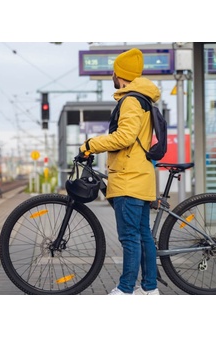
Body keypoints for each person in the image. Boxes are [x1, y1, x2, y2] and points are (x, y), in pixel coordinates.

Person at [77, 48, 161, 295]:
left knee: (130, 238)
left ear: (119, 74)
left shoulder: (131, 100)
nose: (112, 75)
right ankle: (149, 289)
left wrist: (90, 144)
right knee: (143, 235)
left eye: (114, 71)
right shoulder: (142, 98)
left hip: (128, 178)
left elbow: (124, 137)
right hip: (139, 176)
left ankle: (125, 290)